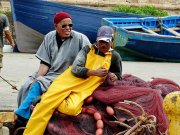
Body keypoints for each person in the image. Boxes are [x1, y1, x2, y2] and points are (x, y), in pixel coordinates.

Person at [23, 25, 122, 135]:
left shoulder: (115, 56)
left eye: (107, 42)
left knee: (71, 109)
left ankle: (44, 97)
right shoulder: (87, 50)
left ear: (112, 42)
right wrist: (94, 72)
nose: (103, 45)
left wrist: (114, 76)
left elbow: (118, 74)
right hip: (68, 80)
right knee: (44, 107)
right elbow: (75, 69)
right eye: (101, 41)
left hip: (85, 87)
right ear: (97, 41)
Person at [13, 12, 90, 126]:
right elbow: (45, 63)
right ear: (56, 26)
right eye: (64, 26)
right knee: (27, 85)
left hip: (67, 75)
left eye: (70, 25)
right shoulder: (49, 37)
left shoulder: (80, 39)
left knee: (39, 83)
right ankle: (26, 115)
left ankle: (22, 115)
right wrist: (37, 77)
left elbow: (90, 59)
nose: (68, 28)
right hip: (50, 71)